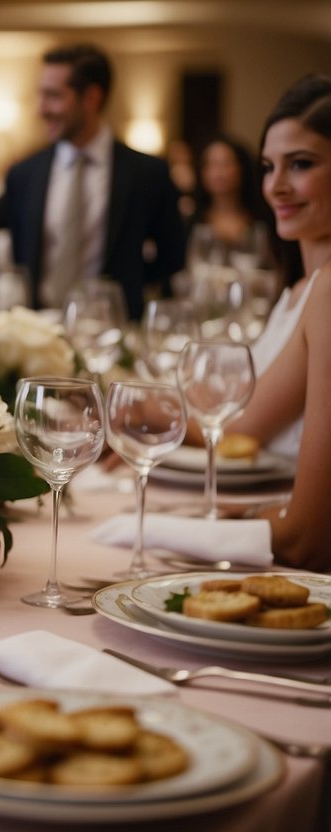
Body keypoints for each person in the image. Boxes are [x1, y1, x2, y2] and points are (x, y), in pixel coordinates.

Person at [0, 43, 186, 319]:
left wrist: (130, 287)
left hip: (112, 334)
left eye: (53, 96)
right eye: (40, 95)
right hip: (37, 330)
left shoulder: (147, 173)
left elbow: (172, 257)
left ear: (92, 98)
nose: (41, 109)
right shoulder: (23, 174)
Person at [226, 73, 331, 571]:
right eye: (268, 167)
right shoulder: (303, 289)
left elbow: (309, 537)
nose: (276, 186)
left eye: (302, 165)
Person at [187, 132, 268, 266]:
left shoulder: (261, 220)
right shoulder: (192, 222)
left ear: (241, 168)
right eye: (211, 165)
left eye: (225, 164)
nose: (218, 172)